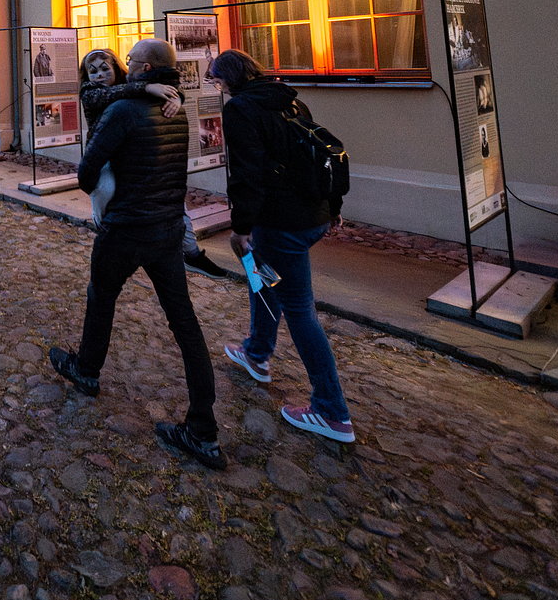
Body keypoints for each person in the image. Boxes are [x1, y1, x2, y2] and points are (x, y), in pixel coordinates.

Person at [50, 38, 225, 471]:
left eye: (130, 60)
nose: (125, 64)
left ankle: (86, 369)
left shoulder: (123, 110)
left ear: (145, 68)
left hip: (127, 227)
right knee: (184, 322)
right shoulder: (175, 105)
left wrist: (104, 195)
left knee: (101, 297)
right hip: (165, 228)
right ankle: (203, 430)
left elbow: (87, 171)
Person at [212, 48, 355, 445]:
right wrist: (333, 208)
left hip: (281, 223)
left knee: (299, 308)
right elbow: (318, 157)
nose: (216, 87)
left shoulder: (241, 108)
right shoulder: (291, 100)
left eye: (216, 80)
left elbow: (247, 173)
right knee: (263, 279)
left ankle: (332, 410)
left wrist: (240, 228)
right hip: (311, 216)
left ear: (229, 78)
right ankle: (256, 352)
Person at [78, 49, 239, 282]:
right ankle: (101, 223)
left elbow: (167, 88)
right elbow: (110, 95)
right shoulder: (91, 91)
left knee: (175, 205)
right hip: (106, 157)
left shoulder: (130, 85)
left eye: (105, 69)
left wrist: (176, 97)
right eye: (93, 71)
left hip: (136, 157)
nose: (99, 75)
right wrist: (147, 88)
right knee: (104, 189)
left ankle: (192, 253)